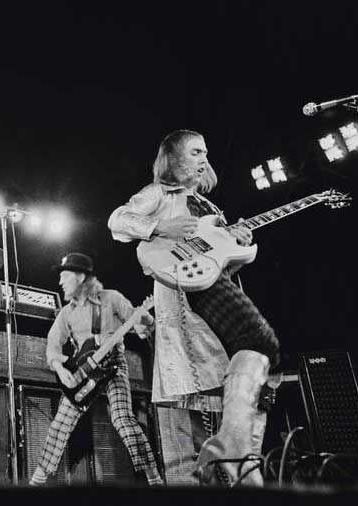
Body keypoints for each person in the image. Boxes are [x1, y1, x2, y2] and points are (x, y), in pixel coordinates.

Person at [107, 129, 280, 486]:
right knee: (185, 431)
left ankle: (235, 463)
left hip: (213, 308)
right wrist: (159, 226)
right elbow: (118, 220)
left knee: (244, 393)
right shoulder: (160, 193)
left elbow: (216, 262)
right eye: (195, 152)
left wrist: (236, 244)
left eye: (206, 153)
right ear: (173, 160)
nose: (204, 159)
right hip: (184, 309)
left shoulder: (212, 209)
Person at [29, 252, 163, 486]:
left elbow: (141, 326)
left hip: (113, 366)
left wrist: (146, 320)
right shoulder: (66, 313)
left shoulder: (111, 298)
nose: (60, 282)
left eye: (65, 276)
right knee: (59, 426)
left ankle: (154, 480)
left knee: (122, 419)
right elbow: (52, 346)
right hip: (84, 372)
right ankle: (36, 482)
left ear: (80, 277)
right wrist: (61, 369)